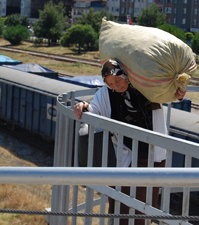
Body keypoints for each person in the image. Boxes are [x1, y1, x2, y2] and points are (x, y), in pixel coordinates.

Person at [73, 59, 186, 225]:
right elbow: (94, 109)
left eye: (118, 80)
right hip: (125, 158)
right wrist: (83, 106)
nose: (116, 85)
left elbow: (169, 93)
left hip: (153, 157)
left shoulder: (144, 86)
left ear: (125, 74)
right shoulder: (106, 93)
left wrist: (179, 92)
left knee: (145, 207)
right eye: (110, 83)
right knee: (121, 207)